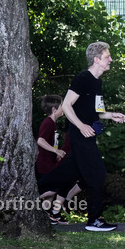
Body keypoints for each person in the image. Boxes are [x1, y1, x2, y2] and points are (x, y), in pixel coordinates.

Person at [37, 41, 125, 232]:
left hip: (87, 134)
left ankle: (35, 190)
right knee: (98, 174)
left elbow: (96, 111)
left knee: (67, 173)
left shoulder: (97, 81)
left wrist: (112, 115)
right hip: (79, 135)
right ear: (96, 59)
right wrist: (81, 125)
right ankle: (94, 220)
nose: (111, 59)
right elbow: (67, 105)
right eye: (107, 57)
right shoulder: (83, 78)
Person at [36, 95, 80, 224]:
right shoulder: (48, 122)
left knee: (53, 191)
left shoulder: (53, 124)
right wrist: (56, 150)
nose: (64, 109)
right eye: (62, 106)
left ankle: (48, 215)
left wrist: (56, 152)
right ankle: (33, 199)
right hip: (45, 162)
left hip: (51, 160)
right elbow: (40, 140)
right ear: (55, 109)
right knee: (54, 187)